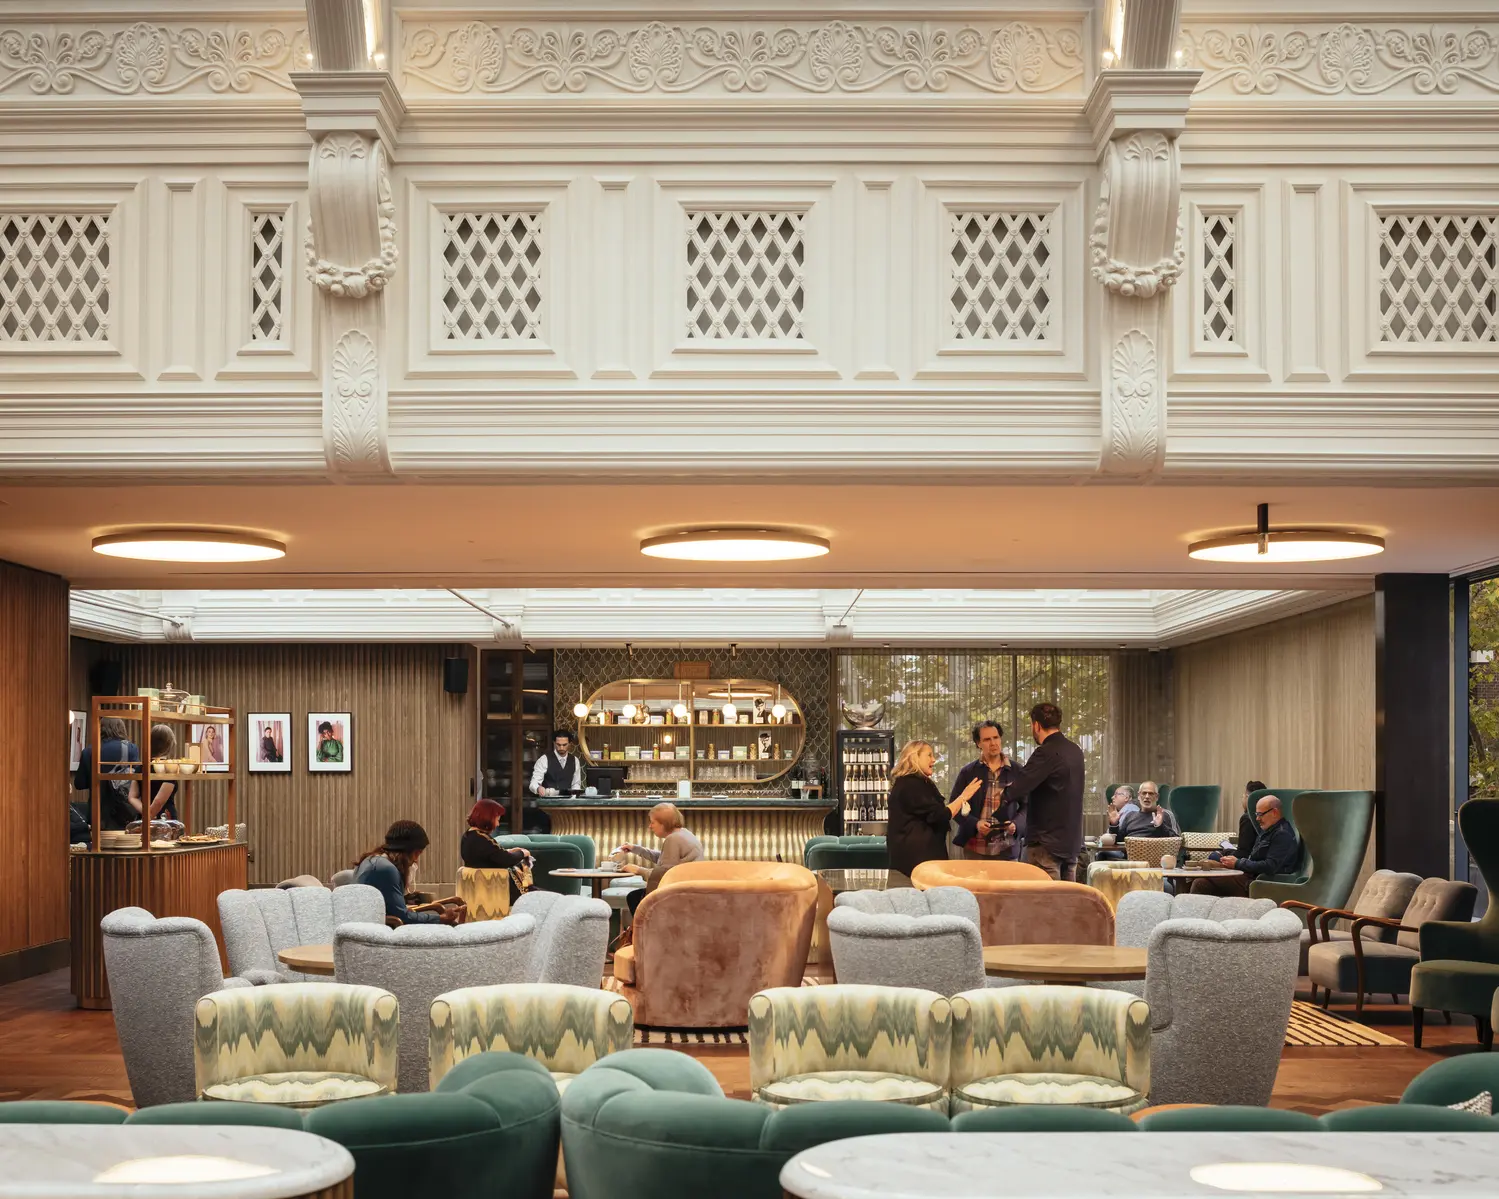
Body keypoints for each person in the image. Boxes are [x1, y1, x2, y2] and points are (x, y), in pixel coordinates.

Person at [1001, 703, 1085, 881]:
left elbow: (1018, 788)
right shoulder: (1075, 751)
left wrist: (1002, 792)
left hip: (1046, 845)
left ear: (1036, 725)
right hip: (1070, 843)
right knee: (1067, 903)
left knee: (1046, 904)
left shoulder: (1045, 753)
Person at [886, 740, 983, 878]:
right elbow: (940, 815)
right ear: (915, 757)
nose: (934, 759)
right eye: (929, 755)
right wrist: (963, 797)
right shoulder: (911, 785)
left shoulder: (913, 783)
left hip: (919, 861)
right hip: (916, 864)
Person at [354, 820, 466, 925]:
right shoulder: (386, 869)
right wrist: (441, 918)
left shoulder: (370, 860)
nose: (416, 860)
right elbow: (403, 917)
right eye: (417, 854)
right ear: (405, 852)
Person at [1191, 793, 1300, 897]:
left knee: (1201, 883)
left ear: (1275, 812)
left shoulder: (1282, 834)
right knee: (1201, 880)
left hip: (1258, 882)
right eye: (1256, 814)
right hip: (1249, 876)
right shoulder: (1269, 830)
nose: (1257, 819)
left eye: (1260, 814)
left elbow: (1269, 866)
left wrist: (1238, 863)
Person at [613, 801, 704, 916]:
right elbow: (664, 858)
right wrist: (636, 849)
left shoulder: (673, 840)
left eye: (652, 822)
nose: (650, 826)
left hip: (677, 895)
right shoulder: (684, 834)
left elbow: (664, 875)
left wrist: (638, 870)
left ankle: (644, 933)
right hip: (688, 891)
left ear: (664, 824)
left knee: (634, 897)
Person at [950, 720, 1021, 860]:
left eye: (996, 737)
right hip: (975, 848)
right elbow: (955, 806)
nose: (993, 743)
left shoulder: (1017, 770)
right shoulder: (968, 772)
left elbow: (1027, 807)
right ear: (978, 743)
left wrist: (1016, 824)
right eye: (987, 739)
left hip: (1007, 848)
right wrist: (975, 824)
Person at [72, 716, 139, 831]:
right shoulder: (130, 748)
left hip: (98, 811)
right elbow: (137, 778)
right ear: (120, 728)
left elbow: (79, 784)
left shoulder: (89, 751)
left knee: (99, 846)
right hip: (126, 810)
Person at [142, 723, 181, 822]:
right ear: (170, 744)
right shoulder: (169, 767)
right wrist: (150, 814)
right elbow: (158, 801)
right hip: (165, 820)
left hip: (142, 818)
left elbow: (132, 796)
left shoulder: (142, 766)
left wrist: (145, 813)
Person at [530, 729, 585, 797]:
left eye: (564, 745)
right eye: (558, 745)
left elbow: (576, 784)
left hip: (568, 803)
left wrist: (574, 799)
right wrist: (538, 788)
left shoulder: (575, 760)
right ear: (554, 743)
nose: (561, 747)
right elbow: (534, 783)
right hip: (548, 802)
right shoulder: (544, 759)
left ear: (570, 744)